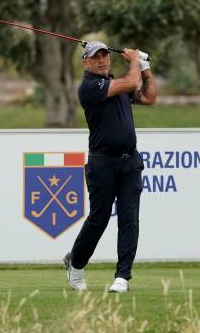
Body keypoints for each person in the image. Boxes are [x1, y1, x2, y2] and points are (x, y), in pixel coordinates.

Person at [64, 41, 157, 293]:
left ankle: (122, 276)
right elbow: (130, 83)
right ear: (86, 62)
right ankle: (76, 262)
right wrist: (135, 60)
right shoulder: (89, 87)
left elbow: (149, 97)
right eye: (95, 57)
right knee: (99, 218)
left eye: (105, 55)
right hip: (102, 162)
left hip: (130, 162)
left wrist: (145, 66)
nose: (102, 60)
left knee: (129, 219)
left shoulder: (119, 85)